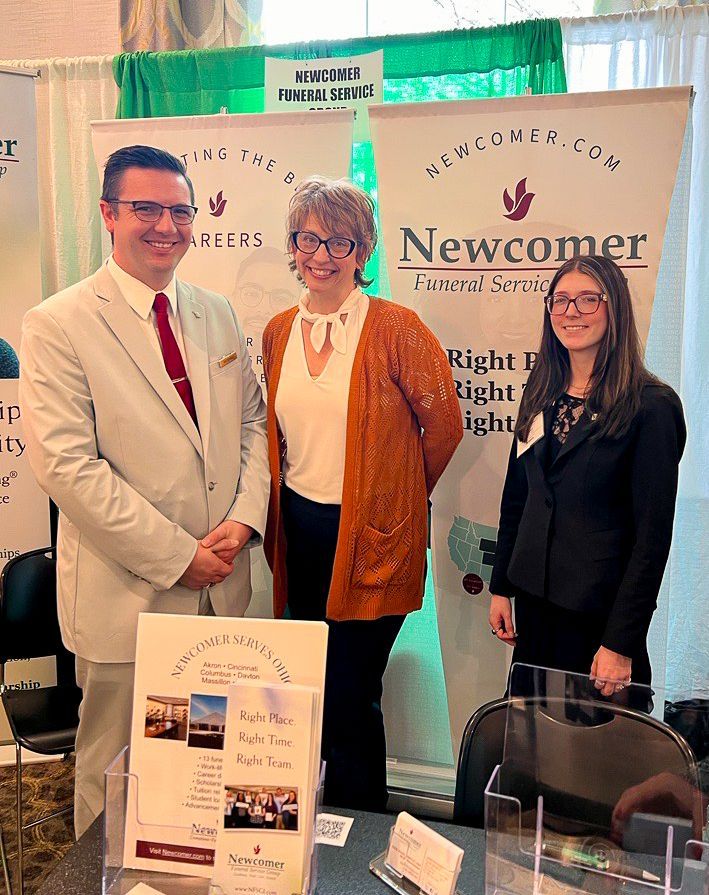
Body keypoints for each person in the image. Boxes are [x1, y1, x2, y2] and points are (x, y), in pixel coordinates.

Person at [19, 145, 270, 838]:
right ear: (108, 214)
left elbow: (252, 422)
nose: (166, 225)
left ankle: (189, 870)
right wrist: (178, 556)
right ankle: (99, 881)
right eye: (146, 209)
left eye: (180, 211)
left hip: (221, 588)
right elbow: (68, 467)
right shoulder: (59, 323)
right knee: (117, 770)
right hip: (129, 596)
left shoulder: (216, 312)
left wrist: (245, 520)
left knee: (203, 765)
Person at [262, 176, 463, 811]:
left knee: (352, 694)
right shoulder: (277, 332)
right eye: (308, 239)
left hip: (373, 542)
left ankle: (359, 831)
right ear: (292, 246)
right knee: (310, 689)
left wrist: (397, 498)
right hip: (300, 536)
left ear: (363, 250)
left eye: (339, 241)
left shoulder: (397, 328)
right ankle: (311, 827)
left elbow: (445, 425)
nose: (321, 255)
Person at [488, 255, 686, 695]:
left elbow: (652, 539)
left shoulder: (651, 407)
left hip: (599, 622)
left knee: (593, 740)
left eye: (587, 299)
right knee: (530, 735)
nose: (570, 312)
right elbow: (517, 497)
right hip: (535, 610)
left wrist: (620, 642)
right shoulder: (541, 391)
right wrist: (501, 586)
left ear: (614, 307)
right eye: (560, 300)